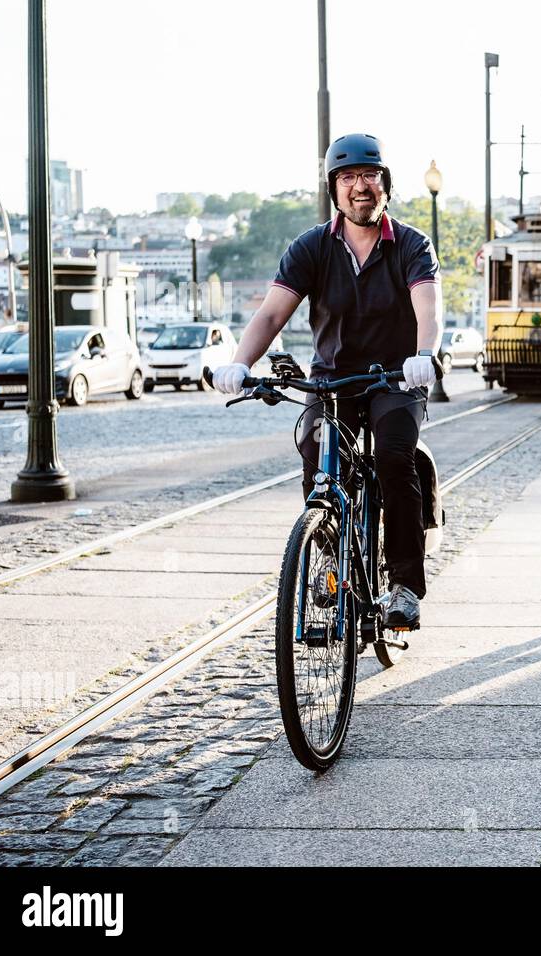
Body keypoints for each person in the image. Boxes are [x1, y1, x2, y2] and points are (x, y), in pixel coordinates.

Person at [210, 132, 442, 631]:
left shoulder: (411, 245)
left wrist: (425, 354)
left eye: (369, 176)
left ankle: (404, 585)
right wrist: (239, 362)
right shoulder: (311, 247)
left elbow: (427, 307)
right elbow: (272, 315)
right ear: (335, 190)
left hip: (398, 379)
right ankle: (333, 560)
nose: (360, 186)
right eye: (348, 177)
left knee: (394, 457)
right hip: (333, 381)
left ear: (385, 184)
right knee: (317, 454)